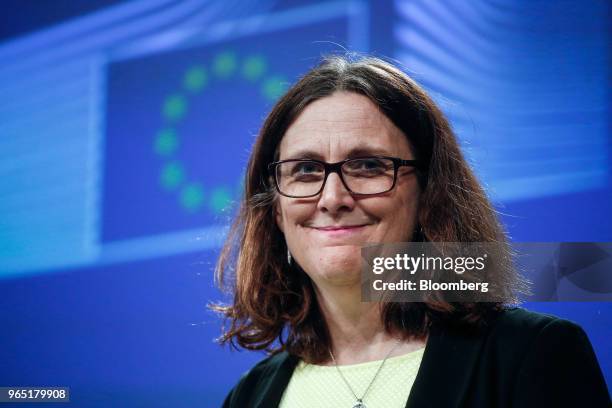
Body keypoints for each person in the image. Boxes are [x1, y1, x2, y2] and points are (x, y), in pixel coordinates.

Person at [213, 55, 610, 407]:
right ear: (276, 211)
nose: (332, 198)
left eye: (368, 165)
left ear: (428, 192)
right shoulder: (250, 396)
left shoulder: (533, 354)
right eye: (305, 170)